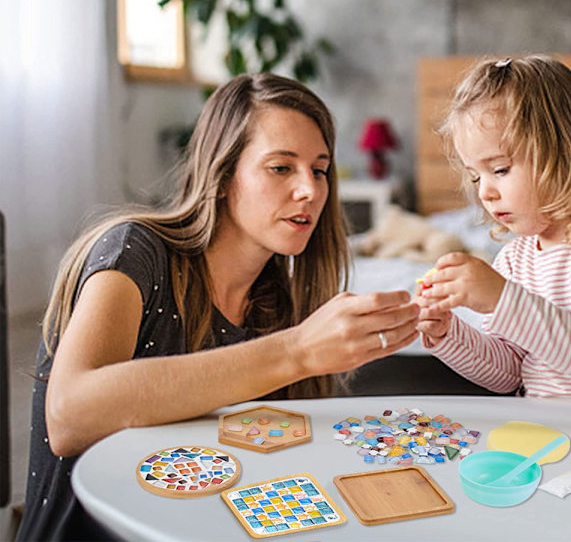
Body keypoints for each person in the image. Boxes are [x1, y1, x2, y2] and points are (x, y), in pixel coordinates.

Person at [17, 73, 419, 541]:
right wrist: (298, 352)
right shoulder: (134, 251)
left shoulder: (277, 303)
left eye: (320, 169)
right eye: (281, 168)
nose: (310, 190)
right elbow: (69, 415)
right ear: (224, 177)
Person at [415, 55, 571, 399]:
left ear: (565, 152)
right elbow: (509, 374)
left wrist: (503, 299)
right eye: (475, 175)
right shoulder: (515, 261)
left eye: (499, 169)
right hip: (550, 435)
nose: (484, 191)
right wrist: (448, 334)